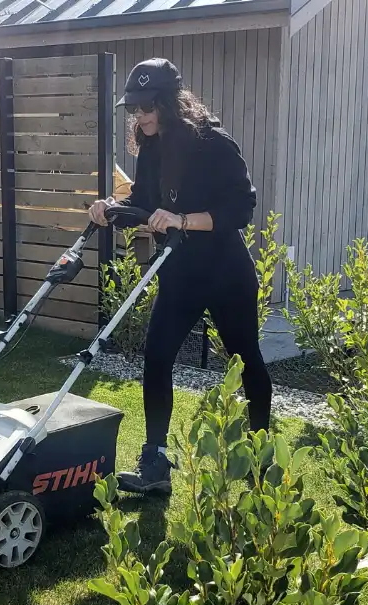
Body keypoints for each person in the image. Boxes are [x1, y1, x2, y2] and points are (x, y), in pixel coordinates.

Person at [89, 58, 272, 496]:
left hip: (225, 271)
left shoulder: (213, 143)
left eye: (148, 106)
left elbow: (241, 209)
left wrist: (183, 220)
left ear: (171, 103)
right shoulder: (151, 146)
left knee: (245, 358)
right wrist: (109, 210)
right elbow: (144, 202)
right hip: (180, 274)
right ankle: (155, 464)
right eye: (134, 109)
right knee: (156, 357)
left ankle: (260, 458)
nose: (140, 116)